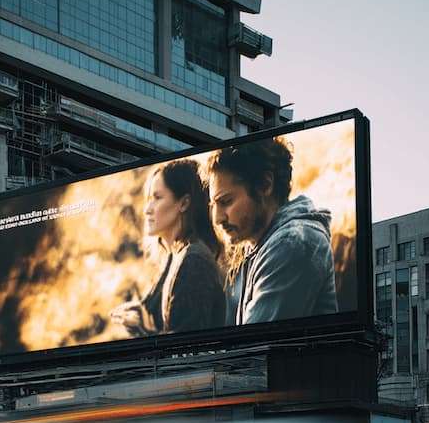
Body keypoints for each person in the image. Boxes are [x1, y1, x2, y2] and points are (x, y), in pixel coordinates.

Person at [207, 137, 337, 325]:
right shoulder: (260, 246)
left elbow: (254, 347)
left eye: (226, 202)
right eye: (213, 205)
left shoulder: (292, 242)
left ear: (265, 185)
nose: (217, 219)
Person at [110, 159, 224, 336]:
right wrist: (140, 314)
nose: (147, 209)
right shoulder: (174, 257)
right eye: (149, 199)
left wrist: (142, 330)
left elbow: (187, 350)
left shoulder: (194, 260)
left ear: (184, 203)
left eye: (157, 198)